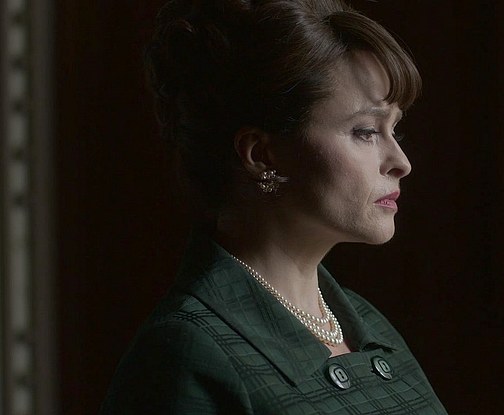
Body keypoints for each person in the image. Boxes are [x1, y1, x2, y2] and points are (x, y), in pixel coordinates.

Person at [100, 0, 446, 413]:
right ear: (261, 154)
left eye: (394, 130)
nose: (400, 162)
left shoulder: (368, 324)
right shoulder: (185, 352)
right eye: (366, 131)